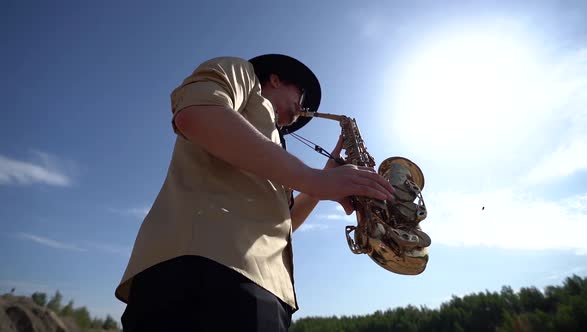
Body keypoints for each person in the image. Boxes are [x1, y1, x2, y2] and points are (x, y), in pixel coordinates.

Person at [116, 54, 395, 331]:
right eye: (302, 93)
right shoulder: (243, 72)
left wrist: (323, 179)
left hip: (265, 288)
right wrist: (314, 179)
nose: (304, 106)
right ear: (275, 79)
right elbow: (197, 114)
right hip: (205, 269)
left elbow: (283, 223)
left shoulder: (275, 150)